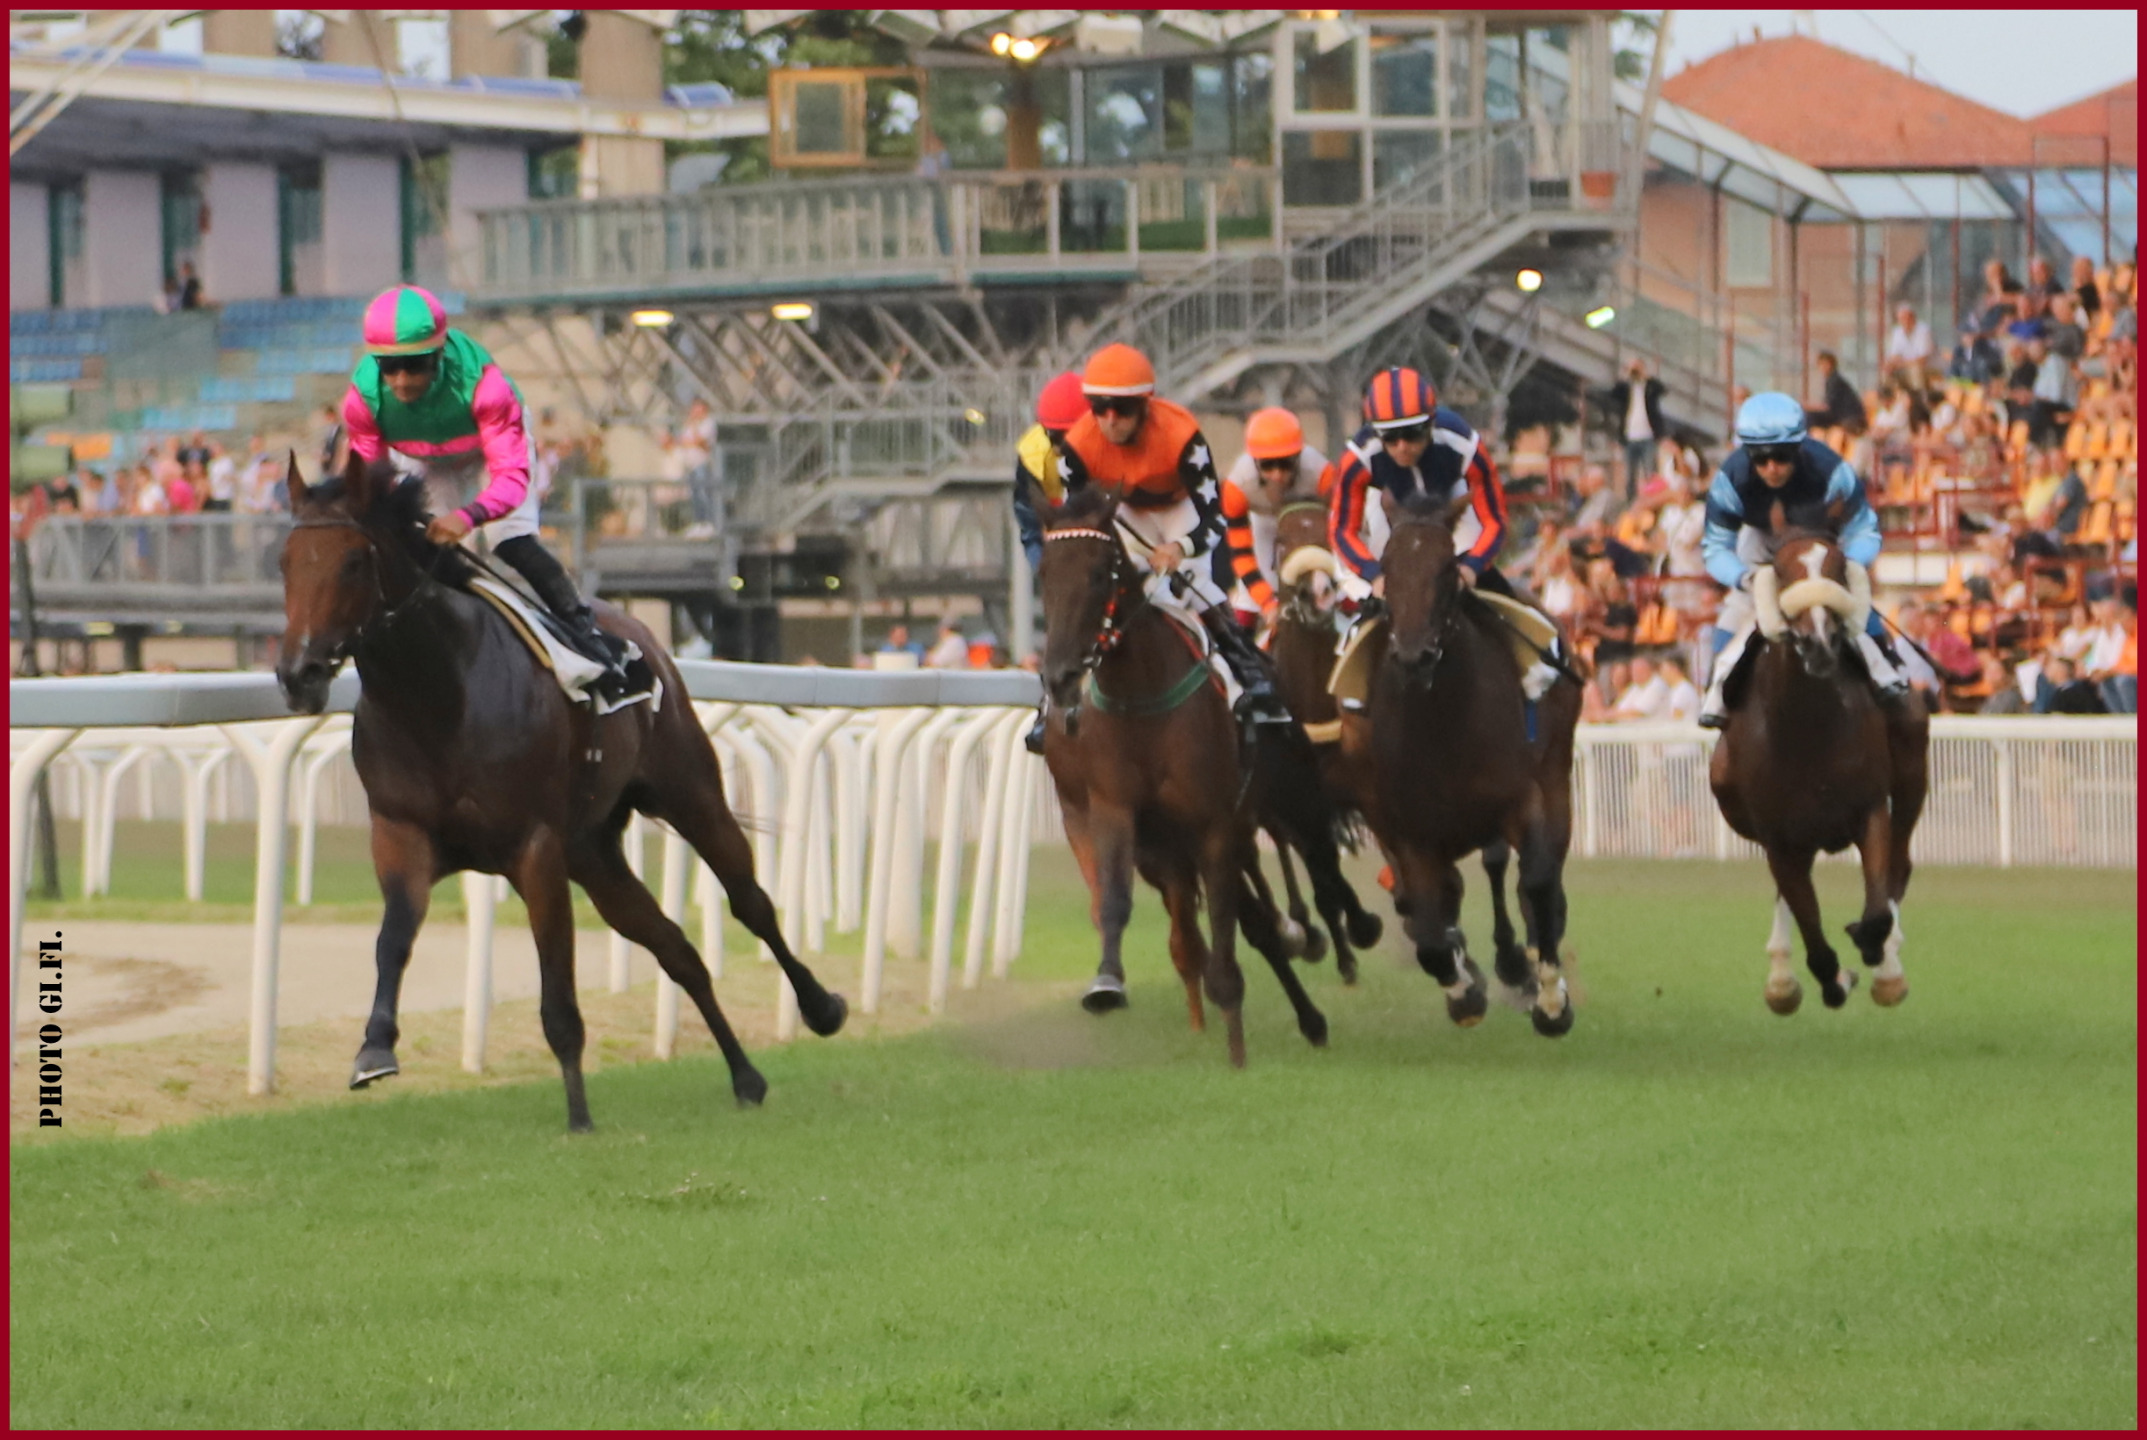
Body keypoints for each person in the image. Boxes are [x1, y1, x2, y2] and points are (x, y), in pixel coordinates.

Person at [343, 283, 636, 699]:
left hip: (488, 448)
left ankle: (587, 635)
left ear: (439, 354)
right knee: (417, 546)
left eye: (416, 365)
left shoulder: (485, 387)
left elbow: (511, 481)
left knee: (508, 541)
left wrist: (465, 517)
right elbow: (370, 482)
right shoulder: (363, 400)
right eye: (390, 368)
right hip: (424, 458)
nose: (403, 380)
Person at [1057, 342, 1290, 742]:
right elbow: (1077, 526)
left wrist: (1182, 547)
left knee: (1194, 583)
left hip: (1180, 508)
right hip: (1125, 513)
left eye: (1124, 409)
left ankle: (1251, 679)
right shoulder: (1075, 450)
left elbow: (1214, 515)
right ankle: (1057, 698)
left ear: (1145, 405)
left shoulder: (1183, 435)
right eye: (1100, 408)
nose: (1111, 420)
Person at [1327, 366, 1565, 705]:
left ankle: (1531, 656)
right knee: (1383, 592)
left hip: (1452, 500)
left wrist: (1471, 567)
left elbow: (1495, 520)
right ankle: (1359, 672)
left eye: (1412, 434)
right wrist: (1374, 575)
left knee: (1474, 582)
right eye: (1390, 438)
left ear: (1431, 423)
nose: (1402, 447)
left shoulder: (1464, 444)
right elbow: (1341, 530)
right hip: (1391, 507)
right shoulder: (1357, 458)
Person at [1696, 392, 1910, 728]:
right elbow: (1716, 547)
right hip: (1759, 542)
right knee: (1734, 613)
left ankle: (1890, 671)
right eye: (1760, 458)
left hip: (1821, 540)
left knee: (1856, 603)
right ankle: (1715, 691)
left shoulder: (1832, 471)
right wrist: (1744, 578)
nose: (1771, 468)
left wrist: (1848, 565)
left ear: (1799, 447)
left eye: (1781, 457)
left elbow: (1865, 530)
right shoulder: (1730, 480)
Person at [1012, 371, 1088, 752]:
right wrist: (1044, 564)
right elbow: (1028, 522)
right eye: (1054, 438)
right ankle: (1050, 706)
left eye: (1068, 438)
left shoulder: (1107, 444)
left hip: (1118, 528)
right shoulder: (1032, 454)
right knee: (1064, 613)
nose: (1061, 448)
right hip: (1065, 536)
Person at [1215, 405, 1329, 627]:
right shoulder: (1236, 486)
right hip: (1263, 522)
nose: (1277, 475)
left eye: (1286, 464)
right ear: (1255, 462)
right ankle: (1238, 658)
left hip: (1310, 525)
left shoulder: (1322, 474)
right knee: (1248, 604)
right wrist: (1267, 603)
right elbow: (1241, 555)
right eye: (1268, 465)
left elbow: (1340, 529)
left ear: (1298, 457)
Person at [1602, 357, 1668, 501]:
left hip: (1648, 436)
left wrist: (1646, 376)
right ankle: (1631, 503)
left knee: (1650, 473)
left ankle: (1653, 501)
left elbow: (1662, 390)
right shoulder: (1626, 388)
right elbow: (1612, 394)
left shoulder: (1649, 387)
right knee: (1629, 476)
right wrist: (1626, 374)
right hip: (1629, 437)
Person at [1806, 351, 1867, 436]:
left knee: (1808, 416)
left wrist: (1809, 406)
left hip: (1848, 417)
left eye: (1825, 364)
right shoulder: (1831, 380)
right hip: (1839, 415)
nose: (1822, 367)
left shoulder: (1835, 381)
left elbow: (1827, 406)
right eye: (1820, 364)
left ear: (1831, 364)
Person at [1885, 304, 1934, 381]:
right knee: (1887, 370)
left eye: (1907, 318)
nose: (1905, 321)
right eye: (1901, 319)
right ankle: (1888, 392)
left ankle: (1918, 393)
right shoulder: (1897, 332)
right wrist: (1892, 364)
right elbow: (1894, 355)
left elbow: (1922, 360)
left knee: (1914, 371)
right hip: (1904, 366)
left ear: (1913, 317)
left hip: (1926, 367)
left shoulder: (1924, 331)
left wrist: (1901, 364)